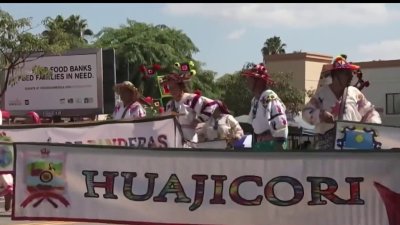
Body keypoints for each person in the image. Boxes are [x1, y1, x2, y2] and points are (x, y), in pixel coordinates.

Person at [302, 55, 382, 150]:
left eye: (351, 73)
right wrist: (321, 114)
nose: (351, 76)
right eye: (347, 73)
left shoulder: (354, 93)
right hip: (327, 145)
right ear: (336, 74)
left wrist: (374, 125)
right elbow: (306, 113)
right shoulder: (321, 94)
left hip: (352, 141)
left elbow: (369, 112)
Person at [161, 61, 217, 147]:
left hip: (190, 141)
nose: (172, 90)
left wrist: (198, 120)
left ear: (181, 87)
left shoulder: (191, 99)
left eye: (174, 87)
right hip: (174, 143)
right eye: (170, 88)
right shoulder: (169, 104)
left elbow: (212, 105)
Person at [241, 62, 289, 151]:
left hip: (272, 145)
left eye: (251, 79)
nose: (247, 82)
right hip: (260, 144)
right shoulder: (255, 100)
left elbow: (281, 124)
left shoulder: (269, 96)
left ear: (259, 81)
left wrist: (278, 145)